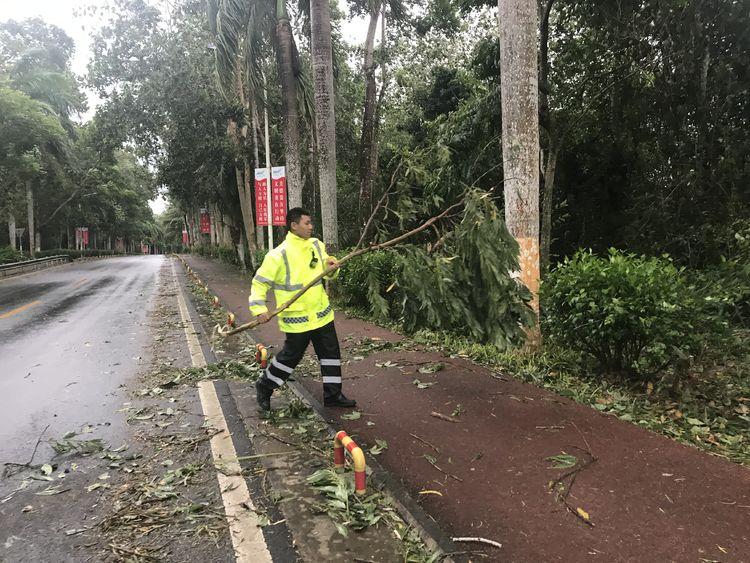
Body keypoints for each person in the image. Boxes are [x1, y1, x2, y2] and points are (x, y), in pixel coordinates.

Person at [249, 207, 357, 411]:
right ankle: (264, 386)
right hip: (297, 320)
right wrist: (259, 309)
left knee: (330, 355)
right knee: (290, 358)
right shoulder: (277, 255)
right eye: (307, 223)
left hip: (322, 314)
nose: (311, 227)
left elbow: (326, 273)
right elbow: (259, 283)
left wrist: (332, 268)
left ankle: (333, 395)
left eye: (310, 223)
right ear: (294, 225)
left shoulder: (316, 244)